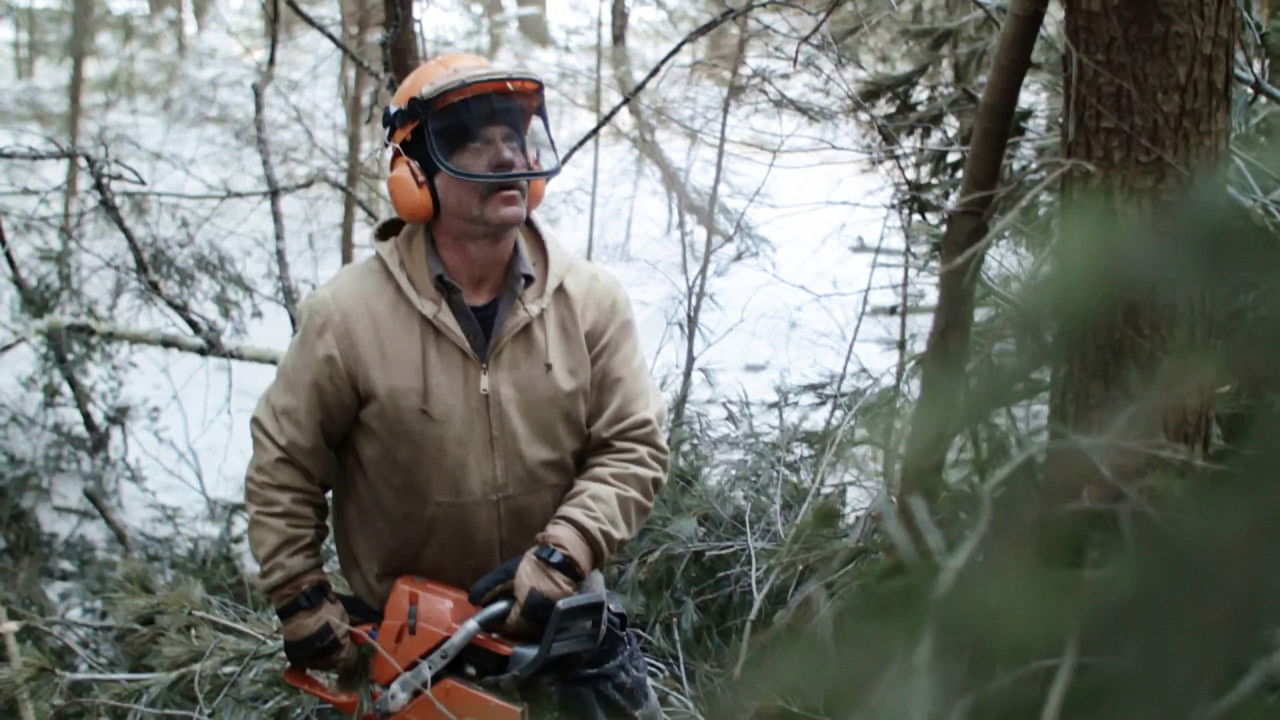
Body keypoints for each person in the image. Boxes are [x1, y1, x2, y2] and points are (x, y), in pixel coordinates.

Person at [243, 53, 668, 713]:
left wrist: (562, 556)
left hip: (557, 624)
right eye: (471, 139)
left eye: (511, 136)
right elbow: (284, 464)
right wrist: (301, 597)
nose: (502, 156)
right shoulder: (348, 315)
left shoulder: (589, 301)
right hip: (406, 643)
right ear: (416, 170)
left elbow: (632, 447)